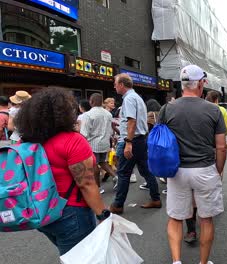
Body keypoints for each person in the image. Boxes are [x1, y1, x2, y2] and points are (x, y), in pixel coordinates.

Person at [15, 88, 109, 255]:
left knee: (68, 253)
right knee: (81, 258)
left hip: (41, 211)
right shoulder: (73, 141)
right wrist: (103, 215)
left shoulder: (27, 142)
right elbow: (86, 184)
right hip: (71, 212)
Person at [163, 65, 226, 264]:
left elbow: (159, 141)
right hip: (205, 169)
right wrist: (218, 170)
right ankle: (203, 262)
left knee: (175, 218)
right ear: (200, 83)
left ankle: (176, 261)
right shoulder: (213, 110)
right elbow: (221, 147)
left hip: (177, 170)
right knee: (206, 218)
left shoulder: (168, 109)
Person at [109, 73, 161, 214]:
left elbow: (132, 122)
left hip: (133, 140)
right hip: (141, 140)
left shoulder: (129, 99)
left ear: (122, 85)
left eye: (115, 83)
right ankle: (156, 198)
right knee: (145, 170)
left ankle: (118, 204)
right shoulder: (136, 97)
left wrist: (128, 142)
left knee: (124, 173)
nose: (114, 86)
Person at [80, 93, 116, 194]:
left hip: (93, 144)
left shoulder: (88, 115)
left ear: (91, 102)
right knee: (102, 162)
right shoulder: (108, 114)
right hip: (105, 143)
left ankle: (97, 187)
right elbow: (110, 130)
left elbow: (84, 133)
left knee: (94, 165)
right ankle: (116, 177)